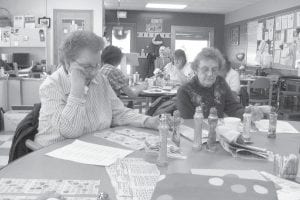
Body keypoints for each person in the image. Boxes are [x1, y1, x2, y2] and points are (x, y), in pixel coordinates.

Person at [34, 31, 158, 147]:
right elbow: (70, 131)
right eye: (87, 66)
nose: (93, 72)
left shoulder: (100, 79)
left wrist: (148, 121)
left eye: (97, 65)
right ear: (67, 63)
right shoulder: (51, 85)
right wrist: (78, 89)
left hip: (93, 148)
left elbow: (119, 112)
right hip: (55, 152)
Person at [176, 47, 269, 119]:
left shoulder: (220, 83)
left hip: (218, 134)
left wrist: (248, 113)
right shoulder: (184, 91)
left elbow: (234, 108)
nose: (210, 74)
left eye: (214, 69)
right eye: (205, 69)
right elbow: (188, 123)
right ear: (196, 69)